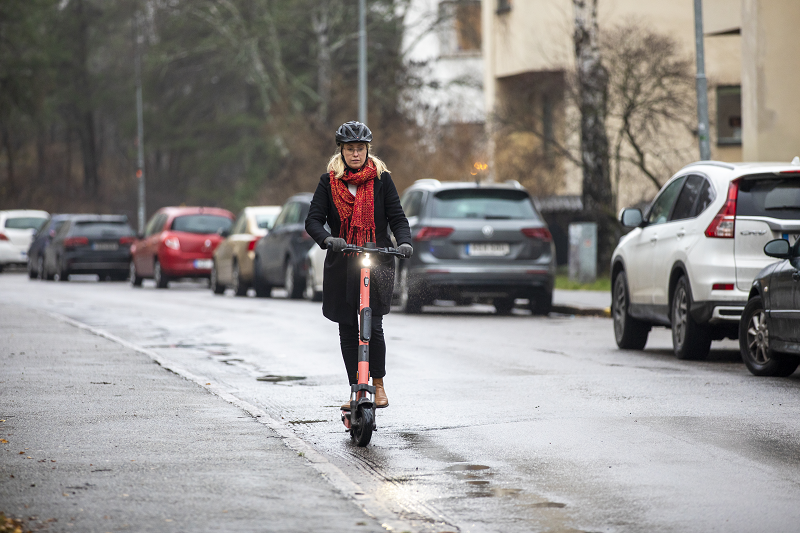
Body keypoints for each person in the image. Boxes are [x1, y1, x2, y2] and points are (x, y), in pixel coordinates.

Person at [305, 121, 412, 409]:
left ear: (368, 150)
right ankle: (356, 387)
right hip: (342, 261)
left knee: (372, 324)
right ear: (341, 151)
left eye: (360, 149)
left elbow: (398, 218)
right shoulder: (328, 182)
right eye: (350, 149)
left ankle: (377, 385)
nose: (355, 154)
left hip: (377, 258)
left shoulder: (381, 179)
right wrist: (328, 239)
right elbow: (313, 220)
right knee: (347, 327)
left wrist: (403, 242)